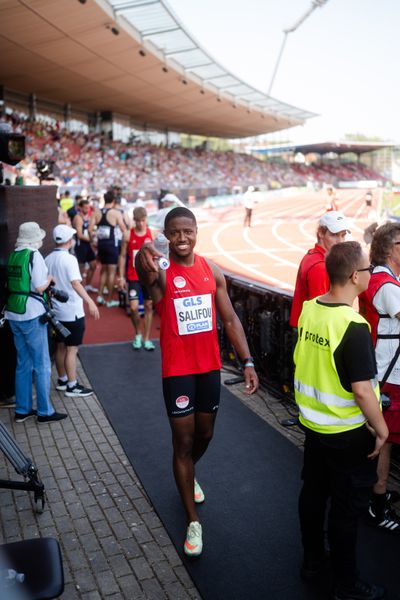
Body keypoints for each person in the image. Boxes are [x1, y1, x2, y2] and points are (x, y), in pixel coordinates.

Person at [136, 207, 259, 558]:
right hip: (177, 372)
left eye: (188, 231)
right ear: (167, 234)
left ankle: (188, 473)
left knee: (205, 434)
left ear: (196, 232)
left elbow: (231, 319)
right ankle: (192, 519)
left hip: (208, 369)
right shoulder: (162, 271)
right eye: (175, 232)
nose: (182, 238)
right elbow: (147, 276)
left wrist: (247, 360)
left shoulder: (211, 270)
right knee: (184, 441)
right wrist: (144, 260)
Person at [294, 240, 388, 600]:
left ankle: (313, 561)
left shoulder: (309, 309)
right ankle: (346, 586)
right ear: (353, 275)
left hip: (313, 427)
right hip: (347, 433)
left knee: (313, 495)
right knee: (346, 511)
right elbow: (363, 391)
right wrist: (381, 431)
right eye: (367, 269)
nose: (369, 273)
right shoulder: (352, 325)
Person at [359, 222, 400, 532]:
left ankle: (377, 494)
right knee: (385, 439)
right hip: (392, 375)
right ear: (389, 248)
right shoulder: (387, 286)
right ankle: (377, 499)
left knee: (383, 437)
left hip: (386, 370)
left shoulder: (383, 279)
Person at [5, 222, 67, 423]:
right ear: (35, 238)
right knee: (42, 365)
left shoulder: (14, 255)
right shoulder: (34, 255)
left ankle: (23, 410)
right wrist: (49, 278)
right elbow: (40, 287)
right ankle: (44, 412)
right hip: (32, 314)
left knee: (23, 363)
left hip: (13, 313)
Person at [45, 225, 100, 397]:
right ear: (69, 240)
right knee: (72, 349)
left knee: (60, 347)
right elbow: (76, 283)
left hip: (57, 312)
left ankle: (62, 380)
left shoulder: (48, 258)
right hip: (72, 312)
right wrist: (90, 301)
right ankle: (72, 385)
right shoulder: (69, 259)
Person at [289, 211, 350, 328]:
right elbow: (321, 311)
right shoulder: (320, 267)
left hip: (305, 327)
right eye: (334, 235)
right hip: (311, 331)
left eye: (343, 235)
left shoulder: (312, 255)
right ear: (321, 233)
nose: (340, 241)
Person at [118, 206, 155, 351]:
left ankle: (146, 338)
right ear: (134, 220)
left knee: (148, 306)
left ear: (146, 219)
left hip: (149, 276)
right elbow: (121, 256)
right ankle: (138, 334)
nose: (140, 224)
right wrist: (121, 277)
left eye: (143, 221)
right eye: (138, 221)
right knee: (133, 308)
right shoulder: (127, 235)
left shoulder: (152, 234)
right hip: (133, 276)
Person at [94, 190, 127, 307]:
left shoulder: (96, 212)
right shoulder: (115, 213)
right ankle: (109, 300)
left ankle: (100, 296)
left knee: (103, 270)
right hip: (112, 244)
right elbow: (124, 229)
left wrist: (93, 242)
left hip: (101, 244)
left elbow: (90, 230)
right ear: (113, 201)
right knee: (112, 272)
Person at [72, 199, 97, 292]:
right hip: (81, 245)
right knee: (80, 269)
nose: (87, 209)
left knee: (93, 265)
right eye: (85, 207)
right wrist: (92, 240)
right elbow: (79, 235)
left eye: (88, 207)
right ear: (80, 208)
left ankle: (88, 285)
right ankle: (79, 289)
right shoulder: (78, 218)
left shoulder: (88, 217)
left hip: (87, 245)